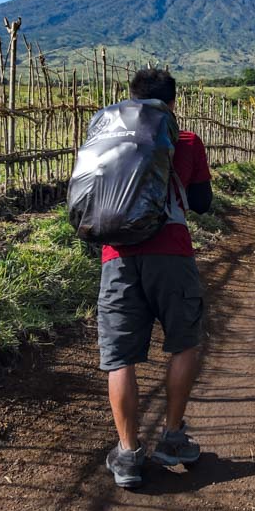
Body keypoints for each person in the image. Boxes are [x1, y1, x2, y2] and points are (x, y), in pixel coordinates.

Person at [98, 68, 213, 488]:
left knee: (121, 356)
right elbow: (202, 203)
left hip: (116, 256)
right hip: (172, 253)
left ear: (130, 100)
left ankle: (127, 455)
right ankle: (173, 438)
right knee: (184, 341)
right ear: (172, 104)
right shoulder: (185, 141)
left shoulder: (109, 139)